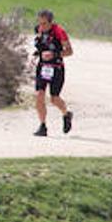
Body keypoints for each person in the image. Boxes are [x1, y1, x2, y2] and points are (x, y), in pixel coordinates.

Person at [32, 9, 74, 137]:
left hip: (56, 68)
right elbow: (40, 47)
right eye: (40, 23)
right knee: (39, 95)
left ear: (51, 22)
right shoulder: (39, 30)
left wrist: (54, 54)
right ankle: (42, 126)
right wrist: (37, 54)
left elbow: (69, 51)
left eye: (44, 24)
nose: (41, 26)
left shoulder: (59, 32)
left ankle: (66, 114)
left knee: (54, 99)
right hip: (42, 67)